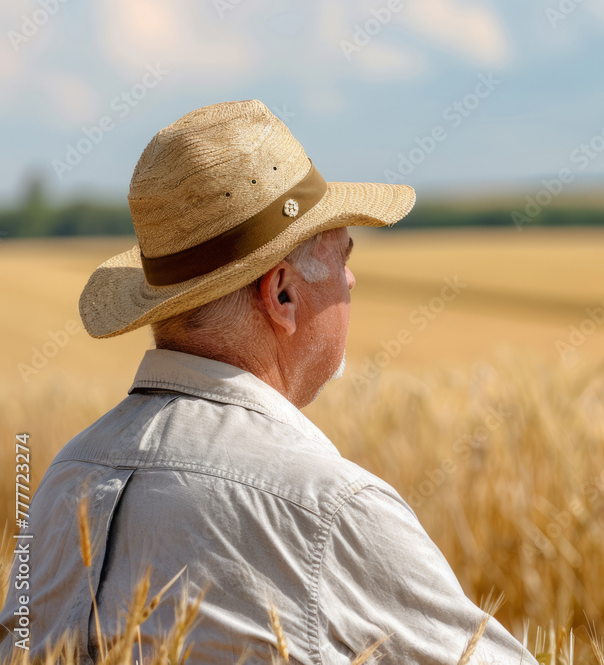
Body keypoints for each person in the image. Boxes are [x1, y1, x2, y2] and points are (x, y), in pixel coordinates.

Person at [0, 100, 535, 664]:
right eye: (344, 255)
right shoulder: (330, 510)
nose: (352, 281)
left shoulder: (63, 481)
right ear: (281, 293)